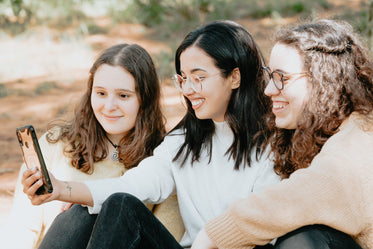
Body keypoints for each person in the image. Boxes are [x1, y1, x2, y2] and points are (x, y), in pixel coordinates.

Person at [21, 20, 281, 249]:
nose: (188, 89)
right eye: (183, 78)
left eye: (198, 78)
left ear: (234, 77)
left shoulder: (272, 144)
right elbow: (131, 187)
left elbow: (262, 227)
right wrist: (60, 189)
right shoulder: (183, 142)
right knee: (113, 205)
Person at [192, 19, 373, 249]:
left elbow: (297, 197)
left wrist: (210, 235)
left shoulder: (357, 145)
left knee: (302, 238)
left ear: (323, 80)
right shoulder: (332, 130)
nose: (269, 90)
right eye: (270, 76)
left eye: (282, 79)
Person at [0, 43, 185, 249]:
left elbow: (162, 237)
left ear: (145, 100)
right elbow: (22, 228)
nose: (109, 106)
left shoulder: (161, 160)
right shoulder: (56, 144)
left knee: (95, 208)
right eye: (101, 93)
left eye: (123, 95)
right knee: (81, 212)